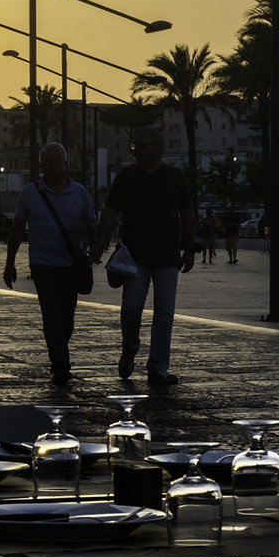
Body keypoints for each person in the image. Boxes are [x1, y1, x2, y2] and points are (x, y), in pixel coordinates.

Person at [96, 128, 194, 385]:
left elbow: (187, 212)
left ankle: (158, 367)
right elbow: (111, 210)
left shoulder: (175, 177)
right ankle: (130, 348)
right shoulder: (126, 176)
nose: (136, 151)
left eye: (141, 145)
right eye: (134, 146)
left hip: (167, 255)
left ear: (156, 147)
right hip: (134, 255)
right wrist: (99, 243)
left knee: (165, 311)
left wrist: (190, 247)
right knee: (131, 308)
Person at [4, 142, 96, 387]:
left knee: (67, 319)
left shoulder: (79, 192)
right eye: (48, 162)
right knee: (52, 315)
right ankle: (60, 365)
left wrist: (84, 229)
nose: (53, 166)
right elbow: (16, 229)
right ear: (41, 165)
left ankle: (59, 352)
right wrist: (9, 263)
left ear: (66, 164)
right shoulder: (30, 193)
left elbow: (93, 223)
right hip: (42, 264)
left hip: (70, 264)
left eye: (58, 161)